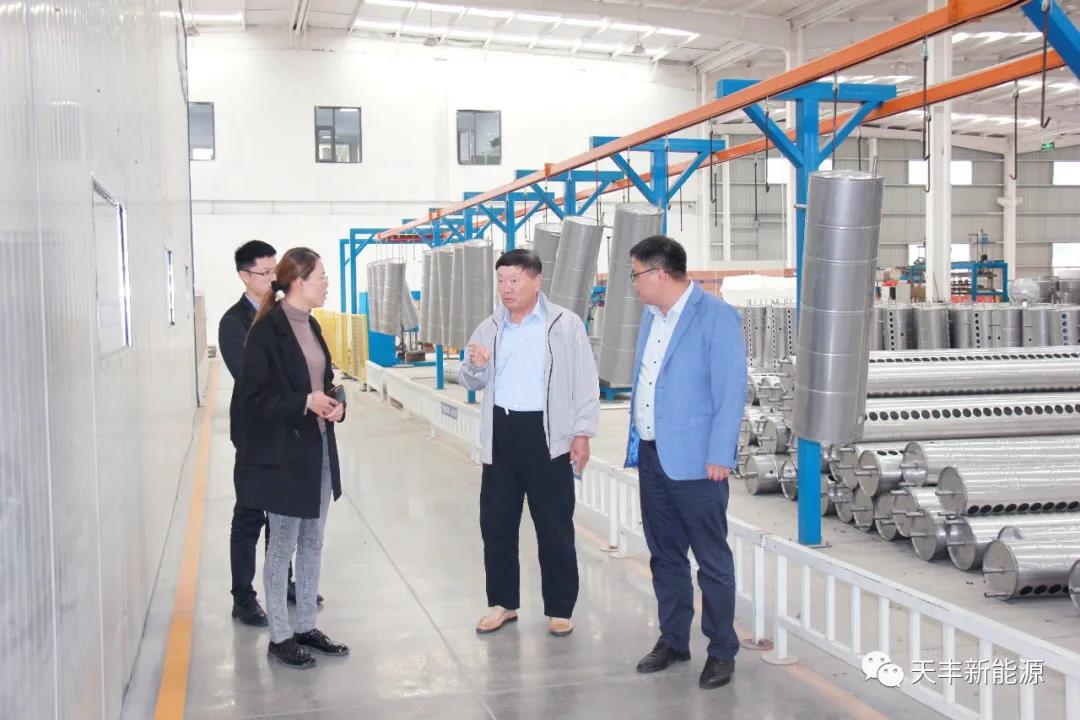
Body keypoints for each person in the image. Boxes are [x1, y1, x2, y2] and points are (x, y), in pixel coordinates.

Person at [624, 235, 746, 690]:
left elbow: (731, 389)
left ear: (659, 273)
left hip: (698, 462)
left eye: (636, 274)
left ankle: (722, 650)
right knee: (665, 556)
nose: (634, 283)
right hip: (654, 455)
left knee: (711, 561)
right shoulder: (650, 317)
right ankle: (673, 640)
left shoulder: (715, 315)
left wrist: (720, 453)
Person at [458, 248, 600, 638]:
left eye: (515, 280)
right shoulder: (489, 327)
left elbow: (586, 381)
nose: (506, 288)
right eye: (501, 280)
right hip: (502, 435)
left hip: (549, 436)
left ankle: (560, 608)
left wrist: (582, 433)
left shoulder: (565, 325)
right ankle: (502, 603)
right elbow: (469, 379)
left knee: (554, 527)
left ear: (536, 281)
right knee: (496, 524)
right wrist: (476, 366)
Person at [233, 247, 349, 668]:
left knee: (313, 541)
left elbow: (326, 379)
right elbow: (254, 397)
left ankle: (305, 627)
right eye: (322, 277)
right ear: (299, 282)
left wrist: (337, 404)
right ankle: (280, 636)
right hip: (284, 456)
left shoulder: (311, 324)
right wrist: (304, 402)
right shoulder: (267, 331)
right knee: (282, 545)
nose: (327, 284)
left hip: (318, 448)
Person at [219, 240, 276, 627]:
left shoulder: (283, 314)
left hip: (286, 428)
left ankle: (282, 582)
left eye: (275, 271)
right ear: (245, 275)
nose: (273, 278)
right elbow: (249, 376)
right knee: (251, 514)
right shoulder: (233, 322)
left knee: (283, 514)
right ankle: (243, 598)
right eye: (265, 272)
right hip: (255, 432)